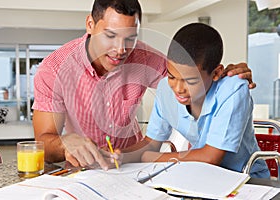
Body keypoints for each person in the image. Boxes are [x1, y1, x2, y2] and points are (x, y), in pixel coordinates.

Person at [32, 0, 256, 170]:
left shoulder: (146, 59)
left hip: (131, 166)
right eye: (110, 35)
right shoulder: (54, 69)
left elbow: (189, 71)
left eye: (130, 38)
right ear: (90, 24)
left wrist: (229, 74)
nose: (121, 50)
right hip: (83, 168)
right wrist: (64, 143)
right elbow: (43, 142)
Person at [120, 23, 269, 178]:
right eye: (172, 76)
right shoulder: (165, 88)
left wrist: (152, 158)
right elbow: (151, 144)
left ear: (216, 73)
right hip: (201, 177)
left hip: (245, 179)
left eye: (190, 81)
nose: (178, 88)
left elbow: (210, 157)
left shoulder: (233, 88)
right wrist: (119, 156)